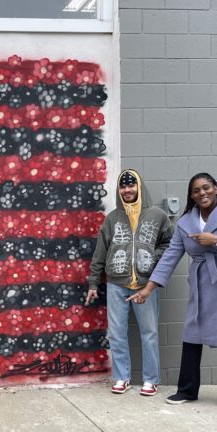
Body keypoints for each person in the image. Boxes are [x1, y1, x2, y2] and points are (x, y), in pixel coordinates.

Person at [128, 173, 217, 413]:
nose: (202, 193)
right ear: (191, 196)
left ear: (216, 188)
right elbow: (170, 257)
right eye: (196, 190)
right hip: (204, 283)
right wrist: (148, 289)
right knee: (192, 334)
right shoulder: (185, 222)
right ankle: (187, 390)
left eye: (206, 188)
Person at [86, 169, 172, 396]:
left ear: (139, 186)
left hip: (146, 283)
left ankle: (151, 379)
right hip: (116, 283)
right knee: (116, 332)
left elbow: (170, 244)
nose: (127, 190)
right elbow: (100, 253)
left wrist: (153, 257)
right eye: (123, 186)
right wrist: (94, 283)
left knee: (149, 332)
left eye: (131, 185)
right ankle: (121, 377)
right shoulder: (112, 218)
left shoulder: (157, 215)